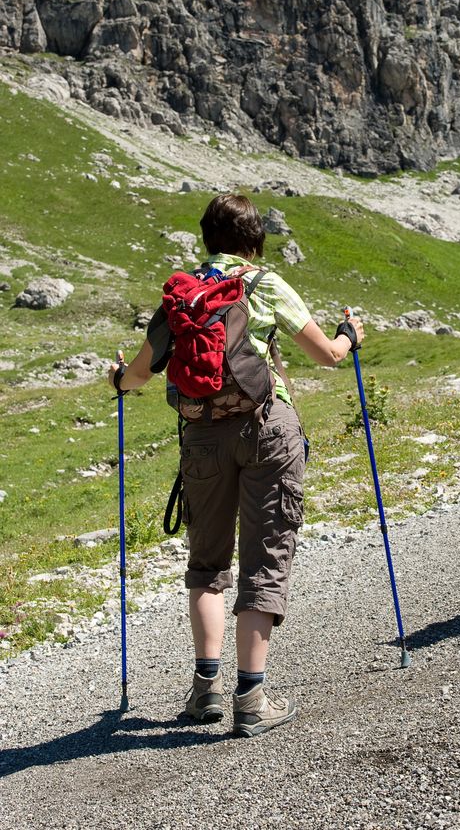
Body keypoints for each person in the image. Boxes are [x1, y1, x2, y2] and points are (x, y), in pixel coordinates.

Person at [107, 193, 364, 737]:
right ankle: (251, 699)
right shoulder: (265, 283)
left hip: (202, 436)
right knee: (264, 559)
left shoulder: (183, 295)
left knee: (207, 565)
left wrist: (117, 381)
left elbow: (140, 373)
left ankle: (205, 690)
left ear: (207, 239)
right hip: (268, 430)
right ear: (255, 240)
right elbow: (327, 355)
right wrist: (350, 336)